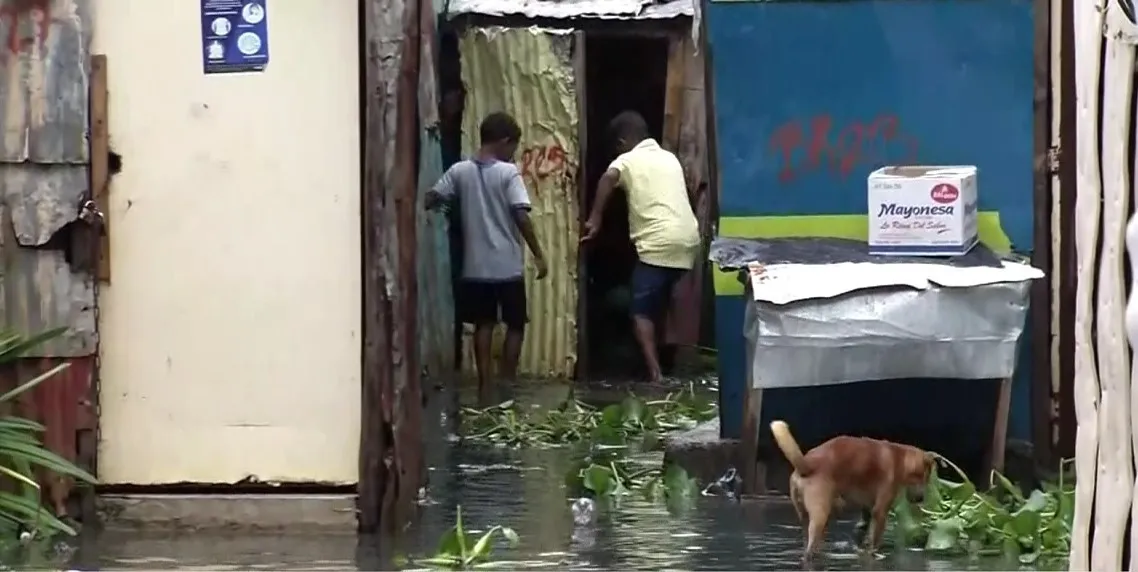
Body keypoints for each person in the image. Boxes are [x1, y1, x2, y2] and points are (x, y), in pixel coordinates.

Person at [426, 112, 548, 389]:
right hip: (507, 266)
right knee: (515, 324)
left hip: (475, 267)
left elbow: (431, 198)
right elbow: (521, 216)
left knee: (484, 324)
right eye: (513, 146)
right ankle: (507, 380)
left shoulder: (459, 171)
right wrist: (539, 254)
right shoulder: (508, 172)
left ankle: (485, 384)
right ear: (504, 141)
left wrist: (439, 208)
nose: (513, 153)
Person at [580, 110, 700, 383]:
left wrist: (595, 219)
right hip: (687, 240)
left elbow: (608, 178)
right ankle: (674, 364)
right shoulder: (669, 158)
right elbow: (689, 193)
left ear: (622, 142)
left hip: (657, 243)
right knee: (665, 302)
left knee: (639, 313)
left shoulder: (627, 159)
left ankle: (656, 374)